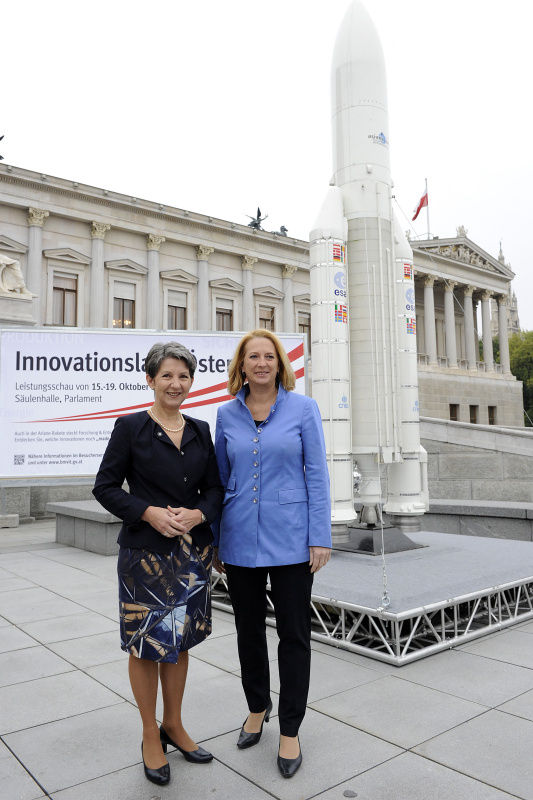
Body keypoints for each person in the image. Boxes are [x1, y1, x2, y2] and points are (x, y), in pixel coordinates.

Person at [93, 342, 223, 786]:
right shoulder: (130, 427)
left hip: (191, 554)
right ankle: (150, 732)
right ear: (150, 380)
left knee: (180, 641)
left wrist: (200, 513)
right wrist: (147, 511)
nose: (176, 384)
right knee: (145, 644)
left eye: (183, 376)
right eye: (167, 376)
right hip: (144, 556)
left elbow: (215, 489)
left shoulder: (202, 430)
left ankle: (175, 724)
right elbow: (105, 487)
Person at [213, 329, 331, 779]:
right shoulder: (226, 414)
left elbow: (317, 475)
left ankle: (290, 728)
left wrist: (319, 535)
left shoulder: (303, 409)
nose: (261, 363)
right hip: (240, 539)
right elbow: (222, 481)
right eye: (252, 356)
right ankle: (257, 707)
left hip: (293, 540)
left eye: (269, 356)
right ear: (241, 365)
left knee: (294, 636)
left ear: (281, 364)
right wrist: (219, 539)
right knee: (247, 633)